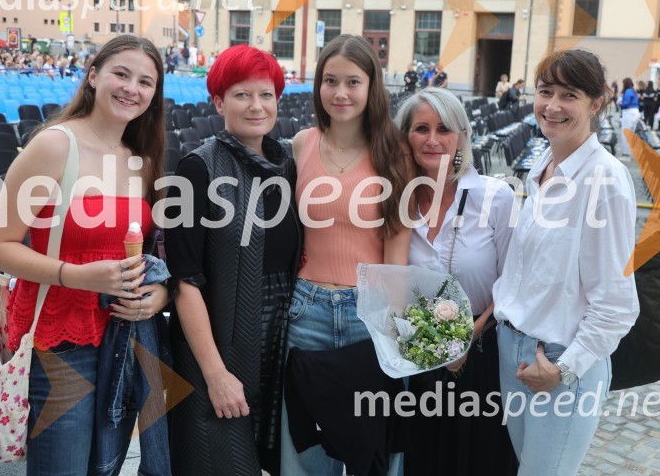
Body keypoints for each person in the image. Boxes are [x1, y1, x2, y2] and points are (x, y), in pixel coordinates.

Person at [0, 35, 170, 475]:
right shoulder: (55, 145)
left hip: (124, 335)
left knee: (103, 467)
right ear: (93, 75)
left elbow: (148, 248)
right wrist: (77, 276)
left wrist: (155, 296)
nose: (131, 88)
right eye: (121, 74)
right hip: (63, 339)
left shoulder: (140, 156)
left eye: (145, 81)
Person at [493, 49, 639, 475]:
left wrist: (564, 370)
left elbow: (616, 303)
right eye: (545, 91)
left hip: (557, 359)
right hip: (515, 350)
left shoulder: (604, 180)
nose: (552, 106)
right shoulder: (544, 162)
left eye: (569, 95)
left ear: (596, 103)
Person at [164, 44, 300, 476]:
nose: (256, 106)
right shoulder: (196, 169)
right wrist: (215, 373)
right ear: (219, 101)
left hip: (279, 340)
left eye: (266, 94)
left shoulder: (287, 166)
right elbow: (185, 282)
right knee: (221, 462)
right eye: (242, 95)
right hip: (219, 344)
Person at [280, 34, 413, 475]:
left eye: (353, 82)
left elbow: (397, 245)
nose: (340, 93)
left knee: (366, 449)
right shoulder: (302, 145)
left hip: (367, 316)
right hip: (307, 311)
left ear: (372, 87)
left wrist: (390, 327)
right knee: (311, 452)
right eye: (330, 81)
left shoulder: (394, 152)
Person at [395, 87, 518, 476]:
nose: (432, 140)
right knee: (421, 458)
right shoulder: (395, 200)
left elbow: (515, 283)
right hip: (416, 358)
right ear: (405, 137)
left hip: (482, 355)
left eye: (444, 129)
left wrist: (468, 337)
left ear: (462, 136)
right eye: (421, 128)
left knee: (478, 459)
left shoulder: (495, 197)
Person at [617, 77, 640, 156]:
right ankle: (630, 151)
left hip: (628, 113)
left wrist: (619, 104)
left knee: (625, 132)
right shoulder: (634, 91)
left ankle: (626, 152)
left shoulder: (628, 91)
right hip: (635, 112)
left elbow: (625, 104)